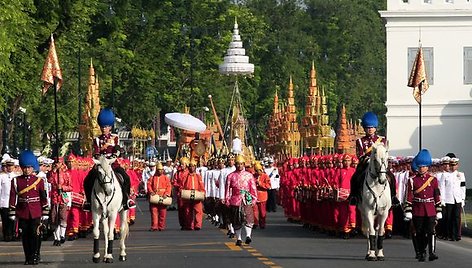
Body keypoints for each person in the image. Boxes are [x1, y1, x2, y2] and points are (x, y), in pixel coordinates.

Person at [83, 108, 135, 211]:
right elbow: (96, 152)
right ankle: (89, 202)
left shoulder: (115, 137)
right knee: (87, 180)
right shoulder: (97, 139)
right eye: (102, 126)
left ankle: (126, 200)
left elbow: (116, 149)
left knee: (126, 178)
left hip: (113, 163)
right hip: (101, 163)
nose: (104, 129)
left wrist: (116, 153)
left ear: (110, 127)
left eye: (106, 126)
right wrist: (101, 152)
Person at [349, 112, 399, 206]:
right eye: (368, 128)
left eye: (372, 127)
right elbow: (360, 155)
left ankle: (393, 197)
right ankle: (354, 196)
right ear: (364, 128)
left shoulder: (382, 140)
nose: (370, 129)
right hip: (366, 165)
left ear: (375, 128)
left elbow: (385, 153)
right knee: (355, 177)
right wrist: (369, 160)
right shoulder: (360, 141)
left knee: (391, 176)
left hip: (380, 164)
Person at [9, 150, 49, 265]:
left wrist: (45, 211)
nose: (27, 170)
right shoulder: (16, 181)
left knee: (35, 234)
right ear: (22, 168)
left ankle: (35, 255)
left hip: (36, 211)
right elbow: (12, 196)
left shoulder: (39, 181)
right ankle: (28, 257)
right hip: (22, 212)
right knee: (25, 236)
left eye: (29, 167)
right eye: (25, 168)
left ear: (33, 168)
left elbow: (43, 197)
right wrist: (12, 211)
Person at [404, 149, 441, 262]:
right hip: (417, 209)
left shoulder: (433, 180)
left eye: (424, 166)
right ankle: (420, 252)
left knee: (431, 231)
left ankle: (432, 252)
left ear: (427, 167)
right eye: (420, 166)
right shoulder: (412, 180)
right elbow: (409, 196)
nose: (422, 168)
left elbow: (437, 195)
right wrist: (408, 210)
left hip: (430, 209)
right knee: (418, 232)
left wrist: (439, 209)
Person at [225, 154, 257, 246]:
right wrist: (227, 199)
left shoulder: (249, 175)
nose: (239, 166)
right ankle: (238, 238)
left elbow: (253, 189)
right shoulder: (230, 176)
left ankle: (248, 236)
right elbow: (227, 190)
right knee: (236, 220)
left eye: (241, 164)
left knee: (248, 218)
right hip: (235, 200)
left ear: (244, 164)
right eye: (238, 164)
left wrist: (253, 200)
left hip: (246, 199)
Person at [440, 155, 466, 241]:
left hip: (457, 199)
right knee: (448, 217)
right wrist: (442, 199)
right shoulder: (445, 175)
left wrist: (463, 199)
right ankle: (448, 234)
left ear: (457, 165)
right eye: (451, 165)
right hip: (448, 199)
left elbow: (463, 187)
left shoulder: (460, 175)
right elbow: (442, 188)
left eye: (455, 165)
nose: (453, 167)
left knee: (456, 217)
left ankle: (456, 235)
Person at [47, 159, 72, 245]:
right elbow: (49, 180)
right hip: (54, 198)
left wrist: (62, 187)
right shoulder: (51, 173)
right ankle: (56, 238)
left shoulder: (66, 174)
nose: (58, 164)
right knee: (54, 218)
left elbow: (70, 187)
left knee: (62, 217)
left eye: (59, 163)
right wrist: (53, 171)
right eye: (56, 163)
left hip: (62, 198)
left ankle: (62, 235)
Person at [147, 162, 172, 231]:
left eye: (161, 170)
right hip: (155, 196)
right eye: (158, 170)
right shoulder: (152, 178)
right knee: (154, 212)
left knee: (162, 212)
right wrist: (151, 192)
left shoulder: (165, 178)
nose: (160, 171)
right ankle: (154, 226)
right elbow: (149, 185)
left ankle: (161, 226)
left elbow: (169, 186)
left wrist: (166, 194)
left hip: (163, 196)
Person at [0, 157, 17, 242]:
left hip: (14, 202)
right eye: (8, 166)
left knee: (13, 219)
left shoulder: (16, 176)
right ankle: (6, 234)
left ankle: (13, 234)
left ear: (14, 166)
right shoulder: (2, 176)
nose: (10, 168)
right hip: (4, 202)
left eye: (11, 166)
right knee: (5, 219)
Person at [253, 162, 271, 229]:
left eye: (259, 170)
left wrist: (260, 184)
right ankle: (255, 223)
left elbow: (268, 186)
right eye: (256, 171)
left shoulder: (265, 176)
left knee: (262, 212)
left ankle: (262, 223)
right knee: (254, 211)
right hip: (254, 196)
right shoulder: (253, 176)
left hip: (262, 196)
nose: (258, 172)